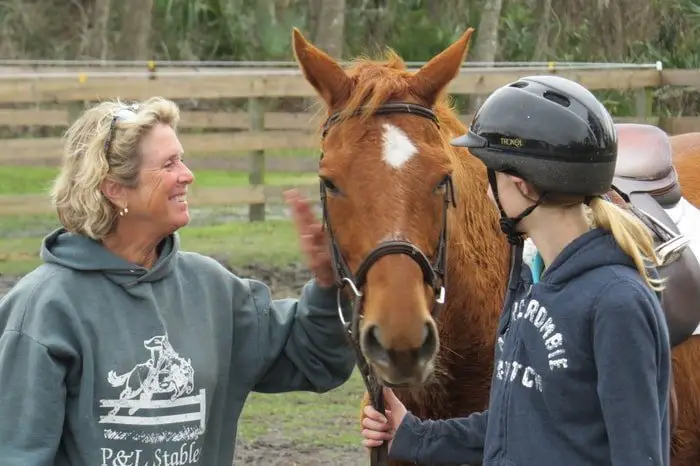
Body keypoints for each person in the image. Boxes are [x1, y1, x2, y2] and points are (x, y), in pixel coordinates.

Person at [0, 97, 355, 465]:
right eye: (169, 164)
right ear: (114, 188)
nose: (188, 174)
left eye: (181, 159)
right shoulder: (42, 310)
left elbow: (314, 359)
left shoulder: (212, 291)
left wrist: (328, 286)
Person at [360, 75, 672, 465]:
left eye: (490, 178)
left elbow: (638, 454)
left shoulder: (617, 303)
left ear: (521, 186)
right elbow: (518, 424)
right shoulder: (527, 282)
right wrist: (414, 434)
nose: (487, 193)